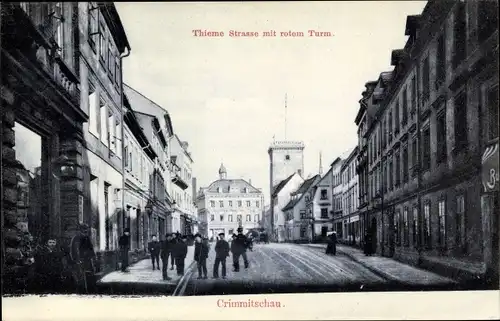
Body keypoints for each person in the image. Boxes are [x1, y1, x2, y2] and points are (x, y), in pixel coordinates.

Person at [68, 223, 96, 293]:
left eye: (86, 229)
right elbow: (74, 249)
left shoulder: (87, 237)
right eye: (84, 229)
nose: (86, 231)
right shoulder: (77, 238)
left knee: (88, 276)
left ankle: (88, 291)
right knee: (81, 278)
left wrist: (93, 257)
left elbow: (91, 248)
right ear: (80, 230)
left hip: (87, 260)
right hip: (80, 260)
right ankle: (83, 292)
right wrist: (77, 260)